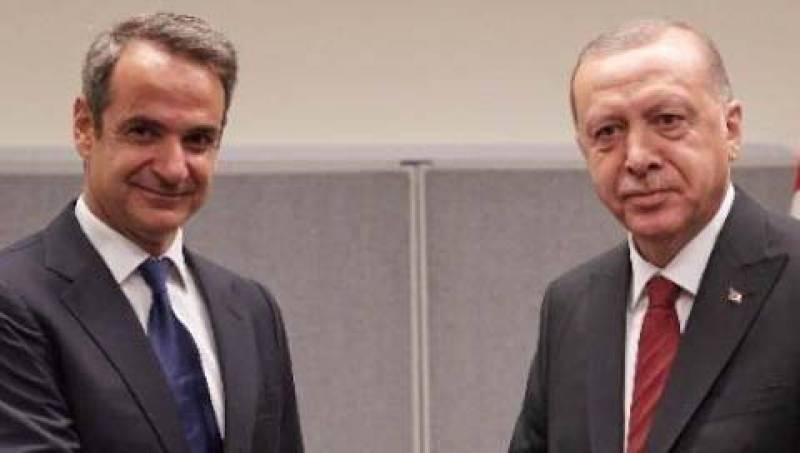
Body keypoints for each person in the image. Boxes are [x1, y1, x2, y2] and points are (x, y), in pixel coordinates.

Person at [0, 12, 303, 452]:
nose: (173, 168)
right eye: (143, 132)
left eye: (198, 140)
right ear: (84, 126)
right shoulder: (14, 300)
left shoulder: (251, 310)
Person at [509, 18, 800, 452]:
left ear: (731, 129)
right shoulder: (571, 305)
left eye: (667, 120)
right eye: (608, 132)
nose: (638, 158)